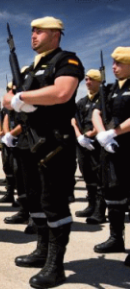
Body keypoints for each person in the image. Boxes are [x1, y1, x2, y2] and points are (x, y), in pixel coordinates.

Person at [2, 16, 83, 288]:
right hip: (28, 142)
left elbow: (61, 92)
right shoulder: (27, 70)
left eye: (39, 31)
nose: (33, 35)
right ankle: (41, 249)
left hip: (53, 142)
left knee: (53, 202)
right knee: (34, 199)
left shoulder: (66, 60)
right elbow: (7, 98)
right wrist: (15, 100)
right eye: (32, 31)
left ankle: (55, 265)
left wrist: (23, 99)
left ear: (56, 34)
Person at [91, 47, 130, 258]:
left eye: (119, 63)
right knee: (113, 195)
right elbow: (97, 111)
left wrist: (114, 132)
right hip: (111, 149)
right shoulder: (110, 88)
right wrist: (102, 134)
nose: (114, 67)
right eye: (113, 63)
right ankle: (116, 238)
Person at [72, 69, 104, 222]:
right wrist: (79, 136)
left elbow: (107, 119)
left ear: (99, 81)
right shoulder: (82, 102)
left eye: (91, 79)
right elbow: (74, 120)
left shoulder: (104, 99)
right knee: (87, 173)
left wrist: (91, 134)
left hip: (98, 142)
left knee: (101, 176)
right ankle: (91, 205)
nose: (88, 82)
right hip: (82, 143)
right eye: (86, 79)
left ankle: (100, 210)